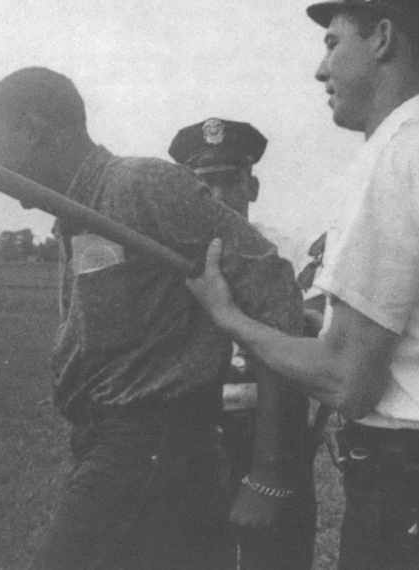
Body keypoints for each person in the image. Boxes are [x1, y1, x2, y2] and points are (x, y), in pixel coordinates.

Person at [186, 1, 419, 568]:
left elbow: (347, 382)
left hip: (413, 495)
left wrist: (230, 318)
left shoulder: (394, 163)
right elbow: (403, 330)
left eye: (332, 43)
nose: (321, 70)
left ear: (383, 39)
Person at [0, 67, 307, 570]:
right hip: (122, 450)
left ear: (33, 126)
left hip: (146, 449)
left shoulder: (139, 185)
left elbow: (276, 292)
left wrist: (268, 469)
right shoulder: (75, 214)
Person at [169, 118, 317, 570]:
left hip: (271, 424)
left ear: (251, 186)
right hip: (196, 425)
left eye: (228, 181)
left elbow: (318, 328)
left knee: (276, 558)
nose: (215, 197)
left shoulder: (290, 249)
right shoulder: (170, 252)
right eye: (202, 184)